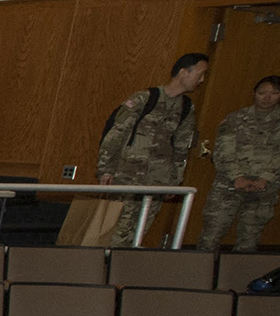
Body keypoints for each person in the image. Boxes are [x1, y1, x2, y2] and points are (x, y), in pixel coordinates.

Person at [96, 52, 207, 248]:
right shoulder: (145, 98)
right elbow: (115, 134)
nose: (202, 80)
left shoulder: (186, 107)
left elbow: (181, 147)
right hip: (127, 177)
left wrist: (175, 181)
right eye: (200, 73)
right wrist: (105, 169)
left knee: (139, 233)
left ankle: (122, 271)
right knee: (117, 231)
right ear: (183, 72)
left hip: (158, 180)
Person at [200, 73, 280, 251]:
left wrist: (265, 178)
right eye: (262, 92)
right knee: (211, 235)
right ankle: (198, 275)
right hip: (228, 186)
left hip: (264, 189)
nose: (267, 98)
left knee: (249, 241)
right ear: (254, 93)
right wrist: (237, 176)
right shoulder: (235, 119)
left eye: (274, 93)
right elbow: (223, 151)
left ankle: (238, 277)